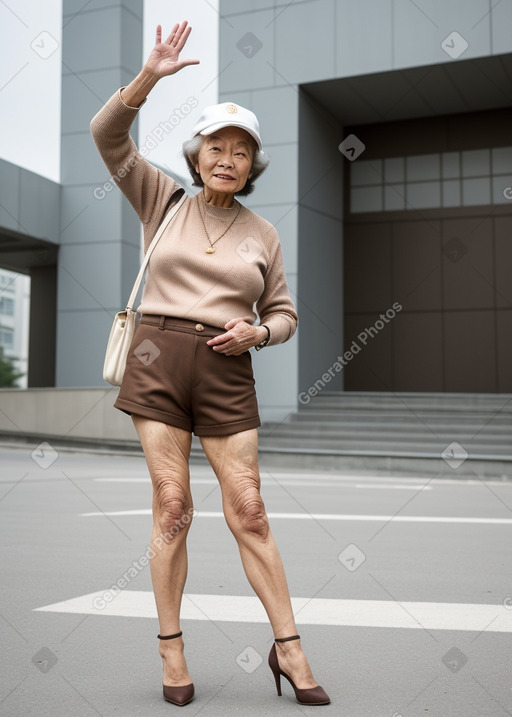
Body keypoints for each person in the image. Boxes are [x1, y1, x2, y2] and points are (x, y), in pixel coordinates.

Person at [90, 21, 330, 708]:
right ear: (195, 156)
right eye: (216, 146)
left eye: (242, 151)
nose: (228, 158)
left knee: (249, 510)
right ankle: (172, 651)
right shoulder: (160, 198)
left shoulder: (264, 234)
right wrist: (149, 78)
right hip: (157, 357)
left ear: (253, 167)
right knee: (172, 508)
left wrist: (259, 332)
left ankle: (289, 648)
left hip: (228, 370)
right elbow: (107, 136)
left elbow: (284, 314)